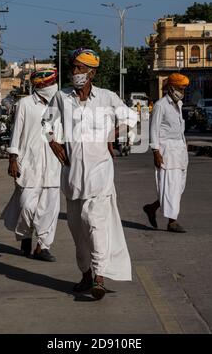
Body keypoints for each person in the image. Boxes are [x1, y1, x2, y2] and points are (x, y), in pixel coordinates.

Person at [44, 48, 138, 300]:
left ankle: (99, 277)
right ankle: (85, 274)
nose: (75, 72)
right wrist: (54, 142)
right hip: (73, 176)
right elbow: (46, 123)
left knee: (96, 224)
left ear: (92, 72)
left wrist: (112, 135)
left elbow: (132, 117)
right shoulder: (62, 98)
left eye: (80, 68)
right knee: (78, 230)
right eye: (73, 67)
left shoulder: (107, 98)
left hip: (100, 174)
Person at [1, 67, 61, 261]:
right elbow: (16, 132)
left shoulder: (60, 105)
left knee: (49, 209)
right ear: (41, 86)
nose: (53, 87)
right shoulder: (25, 104)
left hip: (53, 164)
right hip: (29, 164)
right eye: (50, 84)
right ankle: (25, 235)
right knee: (27, 205)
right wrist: (13, 158)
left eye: (53, 83)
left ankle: (43, 246)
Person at [143, 73, 190, 233]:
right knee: (170, 186)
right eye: (180, 88)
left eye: (183, 89)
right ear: (171, 88)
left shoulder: (179, 105)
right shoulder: (161, 105)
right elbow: (153, 129)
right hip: (166, 151)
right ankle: (172, 222)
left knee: (178, 188)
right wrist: (156, 152)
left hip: (180, 151)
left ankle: (152, 207)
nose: (182, 91)